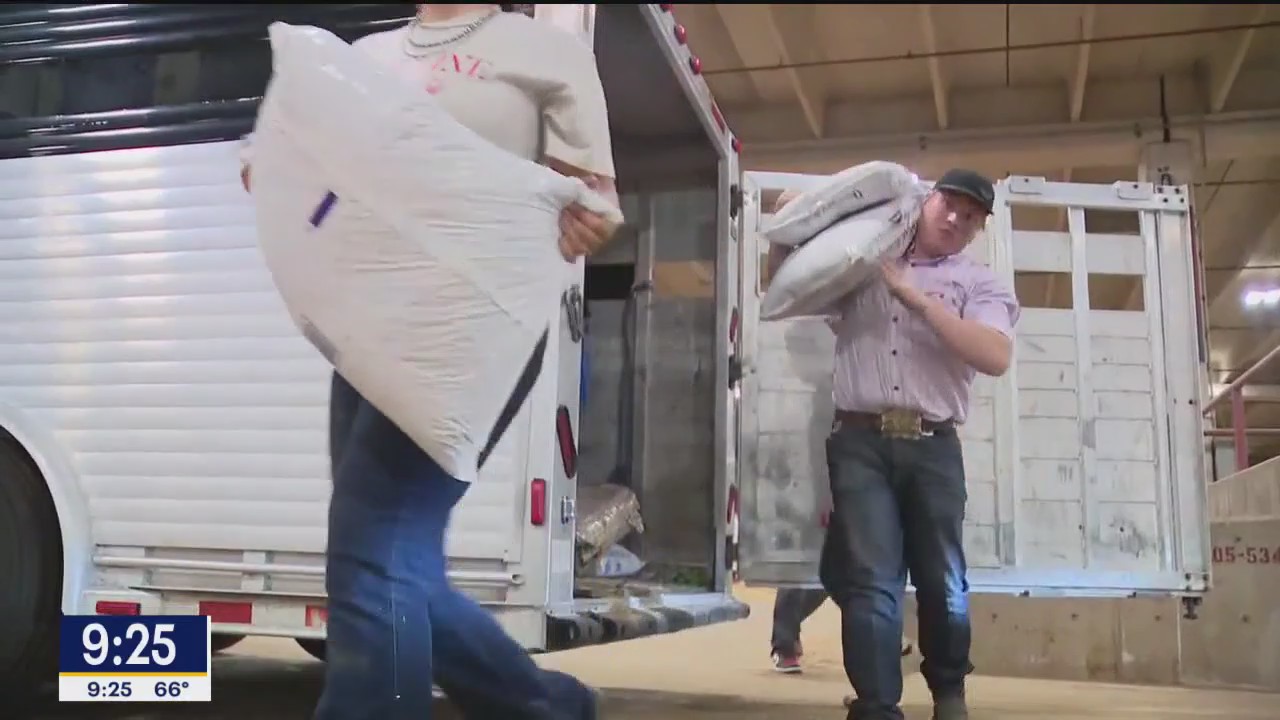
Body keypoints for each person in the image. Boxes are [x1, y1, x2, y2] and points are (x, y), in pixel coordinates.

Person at [242, 5, 620, 719]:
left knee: (372, 550)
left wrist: (587, 218)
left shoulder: (546, 52)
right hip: (366, 324)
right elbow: (298, 157)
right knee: (399, 559)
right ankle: (546, 705)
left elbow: (592, 200)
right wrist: (271, 166)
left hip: (466, 326)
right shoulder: (363, 55)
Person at [775, 169, 1020, 720]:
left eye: (972, 216)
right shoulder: (862, 263)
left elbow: (994, 357)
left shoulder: (979, 284)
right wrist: (787, 226)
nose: (958, 218)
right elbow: (792, 282)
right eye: (950, 204)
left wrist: (919, 303)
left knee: (943, 579)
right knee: (869, 580)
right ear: (926, 201)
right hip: (859, 442)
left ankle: (949, 691)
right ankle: (876, 705)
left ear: (979, 229)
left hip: (933, 447)